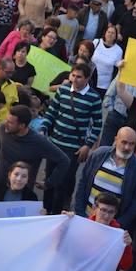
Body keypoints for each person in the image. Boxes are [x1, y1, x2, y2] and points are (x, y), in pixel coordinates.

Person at [40, 63, 103, 213]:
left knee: (62, 182)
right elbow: (51, 113)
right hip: (54, 143)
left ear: (87, 79)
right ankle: (45, 211)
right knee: (49, 180)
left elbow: (98, 125)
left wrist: (87, 145)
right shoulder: (62, 90)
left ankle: (56, 214)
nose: (75, 79)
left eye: (79, 77)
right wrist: (43, 129)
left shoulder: (94, 98)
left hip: (74, 148)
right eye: (73, 75)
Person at [72, 127, 136, 229]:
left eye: (132, 144)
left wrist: (117, 225)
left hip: (110, 227)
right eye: (124, 142)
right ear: (116, 140)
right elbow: (82, 183)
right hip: (85, 218)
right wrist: (80, 213)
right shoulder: (98, 155)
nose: (127, 147)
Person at [0, 105, 70, 195]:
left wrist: (49, 183)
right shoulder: (3, 128)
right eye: (7, 120)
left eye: (10, 122)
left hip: (20, 194)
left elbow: (64, 160)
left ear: (22, 126)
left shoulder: (38, 141)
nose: (5, 123)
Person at [91, 25, 123, 94]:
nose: (110, 34)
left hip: (103, 85)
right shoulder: (96, 42)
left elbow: (117, 67)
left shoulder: (118, 50)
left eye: (113, 33)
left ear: (116, 36)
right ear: (105, 33)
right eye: (108, 32)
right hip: (89, 79)